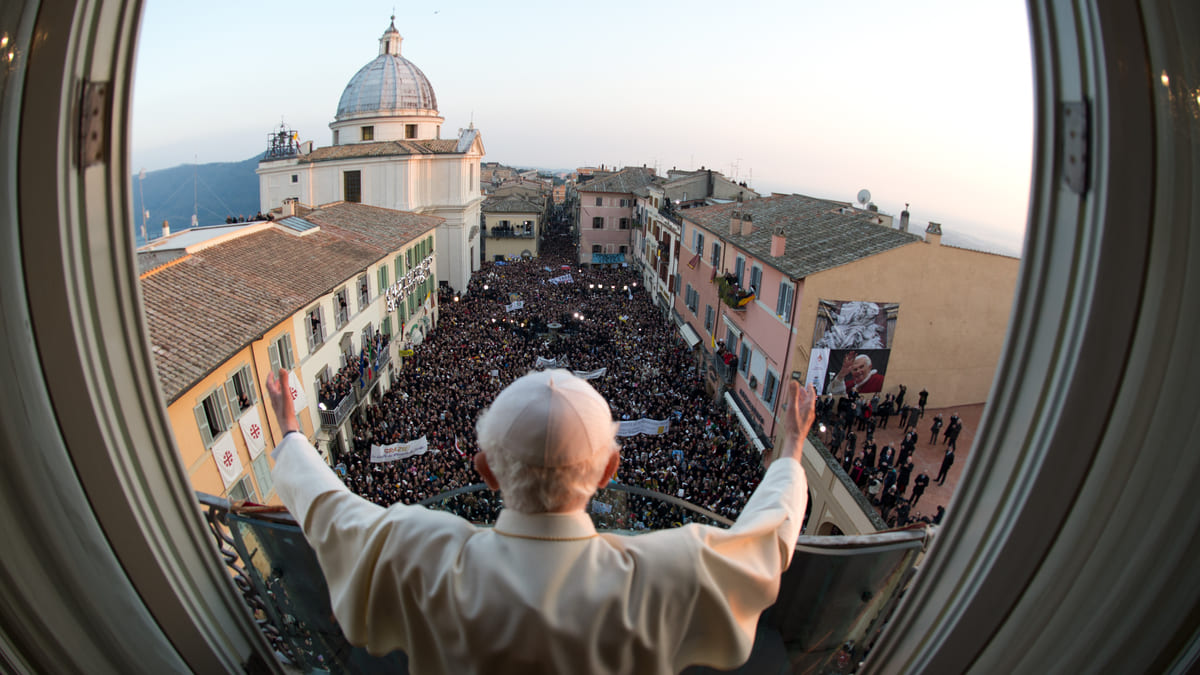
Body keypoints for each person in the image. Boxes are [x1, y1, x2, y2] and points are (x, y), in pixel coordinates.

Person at [266, 368, 815, 674]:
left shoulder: (415, 550)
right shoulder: (673, 570)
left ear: (483, 470)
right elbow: (766, 539)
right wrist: (789, 453)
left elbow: (328, 509)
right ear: (610, 471)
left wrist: (292, 431)